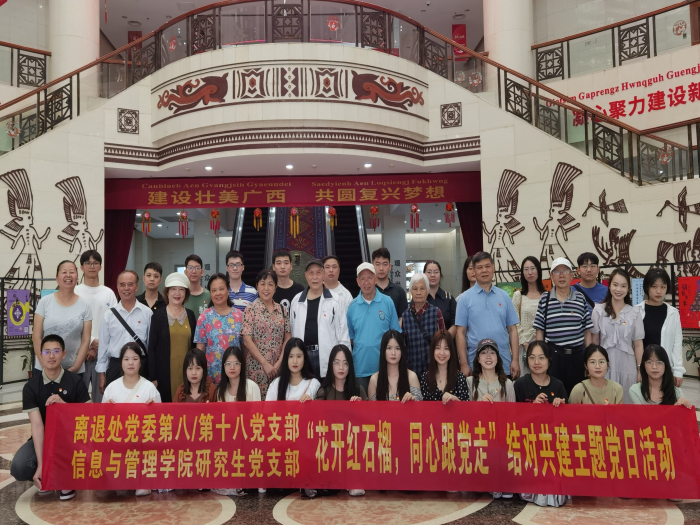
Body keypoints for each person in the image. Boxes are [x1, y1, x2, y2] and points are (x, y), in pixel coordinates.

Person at [12, 334, 89, 501]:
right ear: (40, 355)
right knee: (19, 466)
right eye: (47, 352)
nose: (51, 356)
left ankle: (67, 479)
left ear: (64, 354)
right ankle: (47, 476)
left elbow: (89, 417)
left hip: (73, 439)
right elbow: (37, 426)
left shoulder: (76, 381)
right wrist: (42, 465)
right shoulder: (31, 387)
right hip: (45, 438)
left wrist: (64, 406)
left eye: (56, 351)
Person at [102, 342, 161, 497]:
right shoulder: (111, 388)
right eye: (126, 359)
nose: (130, 363)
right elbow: (102, 424)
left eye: (135, 359)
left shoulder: (149, 388)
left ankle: (141, 478)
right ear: (121, 362)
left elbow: (160, 423)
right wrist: (107, 411)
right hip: (118, 443)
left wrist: (153, 410)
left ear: (140, 362)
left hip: (143, 444)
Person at [515, 341, 569, 508]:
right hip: (527, 442)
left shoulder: (558, 385)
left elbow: (566, 423)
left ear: (549, 360)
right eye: (532, 358)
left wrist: (560, 406)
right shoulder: (520, 384)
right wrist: (532, 408)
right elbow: (513, 420)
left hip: (552, 444)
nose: (536, 362)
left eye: (541, 358)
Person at [455, 252, 520, 379]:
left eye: (487, 266)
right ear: (474, 270)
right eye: (479, 267)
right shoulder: (465, 298)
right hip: (475, 365)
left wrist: (515, 360)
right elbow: (460, 333)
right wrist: (463, 363)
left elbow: (513, 330)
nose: (484, 270)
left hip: (504, 362)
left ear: (493, 267)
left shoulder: (504, 296)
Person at [533, 257, 592, 396]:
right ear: (551, 276)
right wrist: (541, 357)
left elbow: (587, 331)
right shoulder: (545, 299)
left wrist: (589, 358)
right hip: (553, 357)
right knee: (553, 396)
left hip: (576, 357)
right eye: (557, 272)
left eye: (565, 271)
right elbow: (539, 331)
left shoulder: (580, 298)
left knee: (576, 396)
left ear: (571, 275)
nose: (561, 275)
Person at [316, 344, 366, 498]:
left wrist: (359, 408)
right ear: (331, 365)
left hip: (352, 446)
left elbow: (368, 424)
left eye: (345, 363)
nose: (341, 367)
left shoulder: (358, 390)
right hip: (330, 446)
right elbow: (317, 426)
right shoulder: (323, 392)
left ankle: (353, 479)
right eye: (337, 362)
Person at [213, 346, 261, 497]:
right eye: (228, 364)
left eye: (236, 363)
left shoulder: (251, 387)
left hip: (248, 438)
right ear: (223, 367)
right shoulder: (220, 391)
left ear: (242, 365)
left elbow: (258, 419)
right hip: (229, 439)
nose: (232, 367)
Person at [591, 268, 644, 403]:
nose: (619, 289)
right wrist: (593, 366)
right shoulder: (599, 310)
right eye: (615, 285)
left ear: (628, 289)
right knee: (605, 403)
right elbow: (595, 341)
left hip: (628, 366)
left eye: (623, 286)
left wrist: (640, 370)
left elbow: (638, 344)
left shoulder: (634, 312)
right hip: (605, 365)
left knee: (627, 402)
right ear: (609, 286)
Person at [290, 259, 350, 378]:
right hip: (303, 356)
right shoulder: (296, 301)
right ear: (306, 275)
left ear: (323, 275)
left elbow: (343, 335)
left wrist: (344, 361)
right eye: (311, 273)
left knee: (326, 388)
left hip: (327, 356)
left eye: (318, 272)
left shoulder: (336, 300)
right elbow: (292, 331)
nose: (315, 277)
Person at [346, 262, 401, 392]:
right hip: (360, 368)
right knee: (363, 403)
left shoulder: (387, 302)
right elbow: (351, 338)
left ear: (375, 279)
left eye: (370, 277)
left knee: (384, 403)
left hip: (384, 368)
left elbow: (395, 334)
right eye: (362, 278)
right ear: (357, 282)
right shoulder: (352, 306)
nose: (366, 282)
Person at [33, 260, 92, 377]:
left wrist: (75, 367)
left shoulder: (85, 305)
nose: (68, 275)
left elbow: (86, 340)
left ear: (77, 278)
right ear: (57, 278)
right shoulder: (45, 302)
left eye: (72, 272)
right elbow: (36, 337)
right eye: (64, 272)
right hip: (44, 370)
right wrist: (45, 366)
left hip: (74, 371)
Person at [97, 270, 152, 392]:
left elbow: (151, 346)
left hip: (141, 366)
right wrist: (101, 373)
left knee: (141, 401)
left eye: (130, 284)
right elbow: (103, 347)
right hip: (116, 366)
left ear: (136, 287)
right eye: (122, 284)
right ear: (117, 287)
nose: (126, 288)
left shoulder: (147, 313)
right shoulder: (108, 315)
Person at [74, 250, 117, 403]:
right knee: (79, 399)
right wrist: (91, 342)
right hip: (79, 353)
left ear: (100, 267)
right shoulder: (75, 291)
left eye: (95, 263)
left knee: (102, 399)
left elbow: (114, 322)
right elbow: (73, 321)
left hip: (103, 353)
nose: (92, 266)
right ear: (81, 267)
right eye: (88, 263)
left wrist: (98, 345)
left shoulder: (108, 293)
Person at [148, 272, 197, 402]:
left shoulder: (191, 315)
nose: (177, 293)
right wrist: (153, 377)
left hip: (188, 373)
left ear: (186, 293)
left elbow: (194, 347)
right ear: (167, 292)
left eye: (181, 289)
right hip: (163, 375)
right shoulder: (158, 316)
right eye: (173, 289)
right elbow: (151, 348)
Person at [242, 269, 291, 399]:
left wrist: (279, 363)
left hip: (278, 369)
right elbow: (247, 340)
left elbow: (287, 338)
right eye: (262, 284)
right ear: (257, 286)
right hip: (256, 369)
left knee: (278, 404)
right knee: (255, 405)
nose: (266, 288)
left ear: (275, 287)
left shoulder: (282, 310)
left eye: (270, 284)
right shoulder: (250, 310)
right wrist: (264, 363)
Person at [638, 268, 684, 387]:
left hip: (664, 368)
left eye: (663, 287)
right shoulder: (636, 311)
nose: (659, 291)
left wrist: (678, 370)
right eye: (654, 286)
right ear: (647, 287)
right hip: (643, 368)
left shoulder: (673, 313)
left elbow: (677, 344)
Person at [195, 273, 243, 385]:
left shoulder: (240, 316)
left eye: (221, 289)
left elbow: (244, 348)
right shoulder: (204, 317)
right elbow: (200, 351)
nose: (218, 293)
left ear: (228, 289)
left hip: (235, 375)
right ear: (210, 293)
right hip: (210, 377)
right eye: (214, 290)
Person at [402, 272, 445, 378]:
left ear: (428, 291)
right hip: (412, 370)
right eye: (415, 289)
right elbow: (404, 346)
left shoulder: (436, 312)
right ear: (411, 291)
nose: (418, 292)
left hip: (433, 369)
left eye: (422, 288)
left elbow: (443, 341)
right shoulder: (405, 315)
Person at [511, 257, 546, 376]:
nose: (530, 272)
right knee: (524, 379)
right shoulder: (518, 295)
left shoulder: (546, 295)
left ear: (538, 270)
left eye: (533, 268)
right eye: (526, 269)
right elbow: (514, 322)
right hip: (523, 346)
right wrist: (525, 343)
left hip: (543, 345)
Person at [368, 329, 422, 402]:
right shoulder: (374, 380)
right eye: (389, 348)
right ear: (383, 350)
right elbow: (372, 408)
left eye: (397, 348)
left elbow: (419, 406)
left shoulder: (411, 376)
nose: (393, 353)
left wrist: (412, 400)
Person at [419, 330, 469, 402]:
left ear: (451, 351)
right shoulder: (425, 378)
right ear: (433, 350)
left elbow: (466, 407)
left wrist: (456, 400)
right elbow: (423, 406)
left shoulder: (460, 378)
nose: (442, 353)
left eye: (446, 348)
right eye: (438, 348)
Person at [466, 338, 516, 403]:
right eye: (483, 353)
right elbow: (465, 408)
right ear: (478, 359)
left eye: (492, 353)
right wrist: (480, 405)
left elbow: (512, 409)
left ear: (497, 358)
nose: (488, 357)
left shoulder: (507, 384)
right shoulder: (469, 382)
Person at [373, 247, 408, 321]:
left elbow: (402, 318)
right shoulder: (369, 291)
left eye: (385, 264)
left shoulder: (399, 291)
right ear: (373, 266)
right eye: (378, 264)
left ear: (390, 266)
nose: (381, 268)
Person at [424, 260, 458, 335]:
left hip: (446, 340)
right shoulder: (419, 298)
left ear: (440, 275)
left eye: (436, 272)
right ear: (424, 275)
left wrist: (444, 339)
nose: (432, 275)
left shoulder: (449, 298)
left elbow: (456, 323)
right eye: (429, 272)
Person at [271, 249, 304, 315]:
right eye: (278, 263)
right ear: (273, 267)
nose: (282, 267)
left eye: (286, 263)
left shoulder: (299, 289)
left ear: (291, 266)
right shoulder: (269, 290)